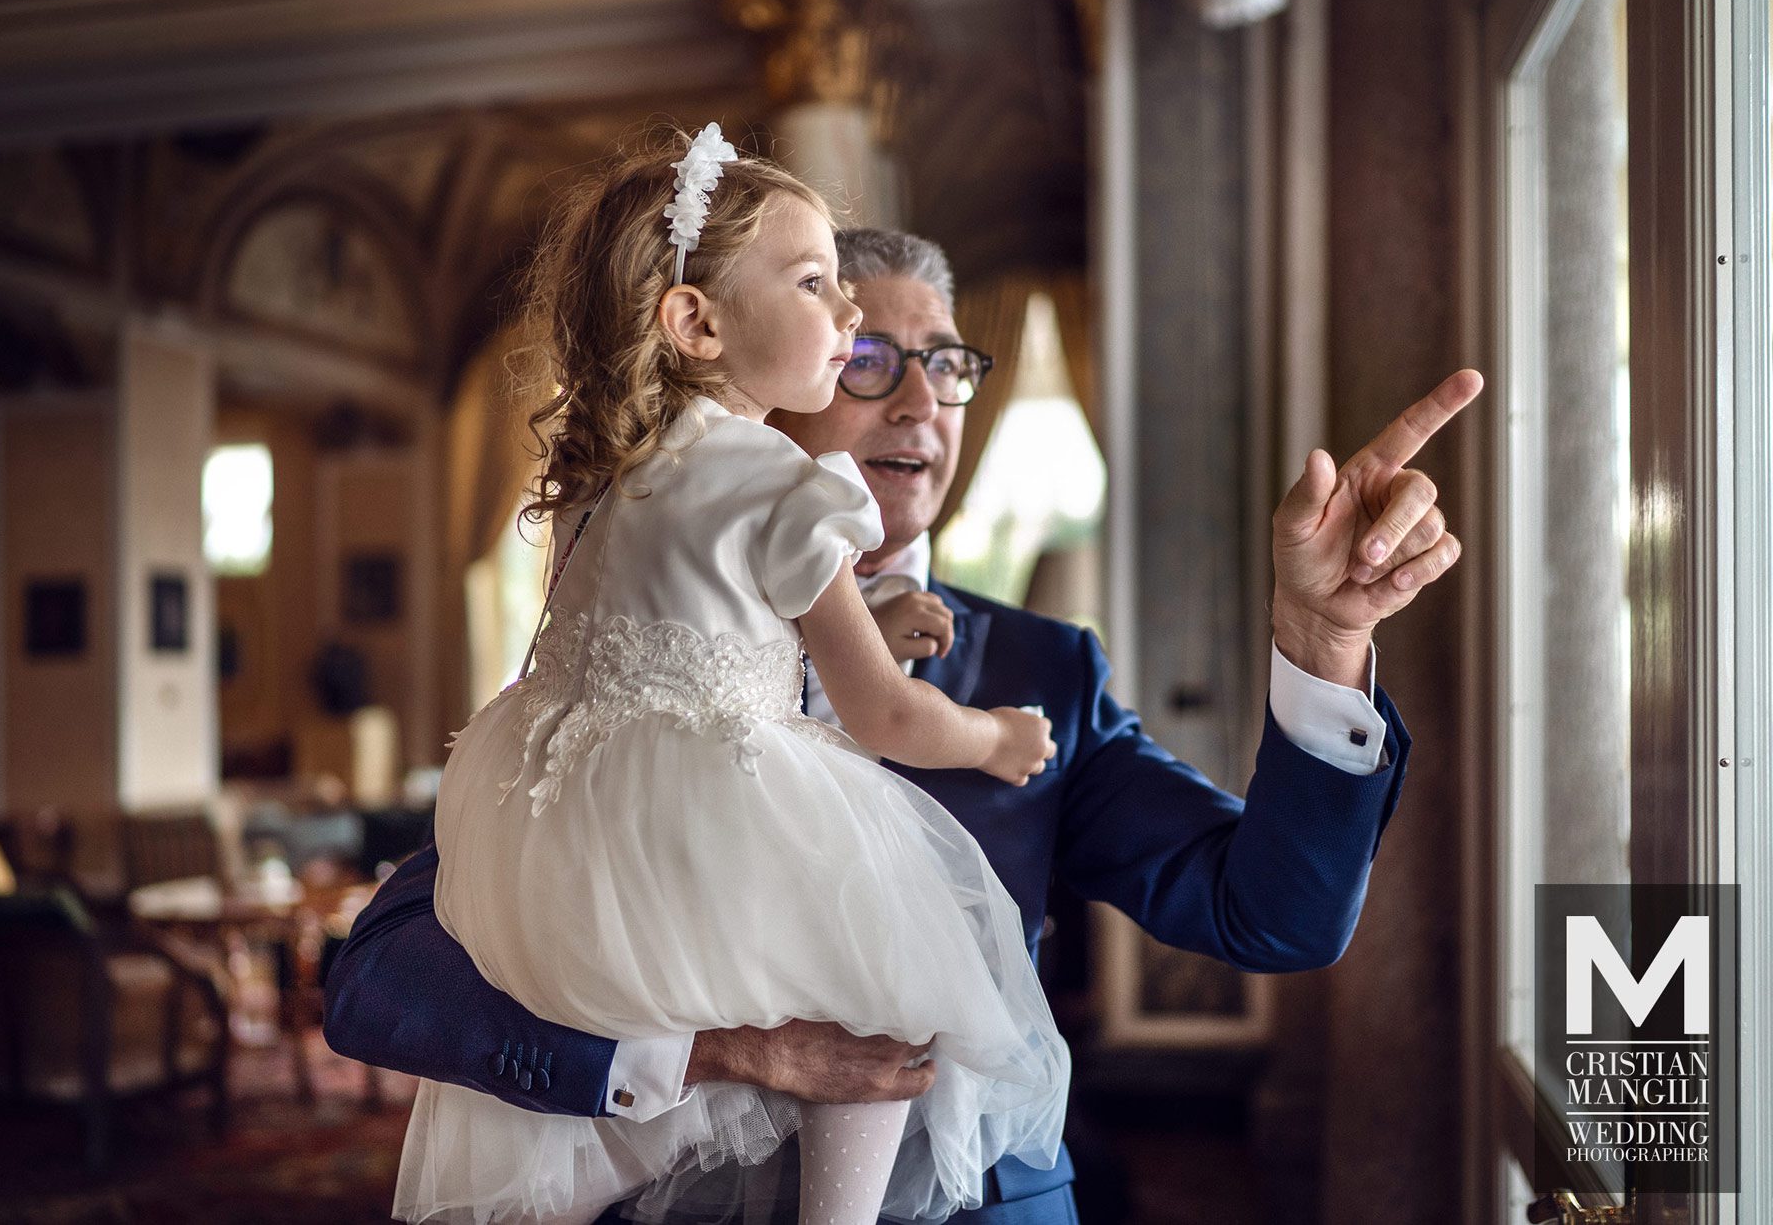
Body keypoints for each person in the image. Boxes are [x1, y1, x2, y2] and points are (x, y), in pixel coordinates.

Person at [327, 186, 1482, 1225]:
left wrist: (1324, 643)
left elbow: (1273, 916)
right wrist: (721, 1053)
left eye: (949, 363)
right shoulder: (625, 661)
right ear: (755, 377)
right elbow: (379, 983)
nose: (921, 399)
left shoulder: (1044, 670)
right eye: (868, 354)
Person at [392, 122, 1075, 1225]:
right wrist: (994, 736)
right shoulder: (784, 484)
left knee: (643, 1078)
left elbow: (669, 631)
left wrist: (835, 628)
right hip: (724, 805)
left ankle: (561, 1179)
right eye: (816, 283)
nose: (846, 314)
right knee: (889, 1001)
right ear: (695, 321)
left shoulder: (600, 483)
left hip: (562, 832)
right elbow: (883, 712)